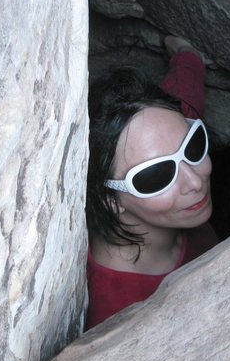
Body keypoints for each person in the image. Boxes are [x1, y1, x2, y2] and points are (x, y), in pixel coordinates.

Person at [85, 36, 218, 329]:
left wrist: (186, 54)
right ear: (110, 198)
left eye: (194, 147)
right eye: (156, 176)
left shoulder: (165, 128)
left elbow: (184, 95)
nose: (194, 181)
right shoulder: (114, 312)